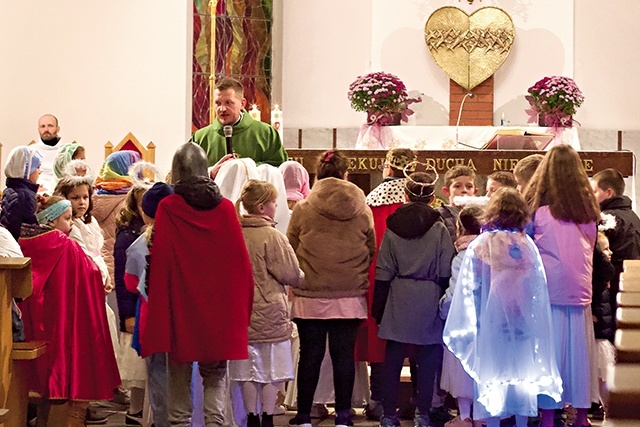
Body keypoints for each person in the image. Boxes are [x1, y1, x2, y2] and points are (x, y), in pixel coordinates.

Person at [142, 142, 254, 427]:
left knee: (178, 372)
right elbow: (240, 266)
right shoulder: (227, 209)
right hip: (219, 310)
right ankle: (215, 423)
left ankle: (180, 423)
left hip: (182, 307)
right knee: (215, 375)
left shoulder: (169, 207)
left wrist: (160, 306)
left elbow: (161, 259)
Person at [444, 187, 562, 427]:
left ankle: (494, 423)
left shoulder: (482, 244)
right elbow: (537, 287)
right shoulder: (527, 244)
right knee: (521, 376)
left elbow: (471, 285)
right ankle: (520, 423)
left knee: (492, 377)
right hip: (523, 321)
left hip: (490, 320)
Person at [287, 149, 375, 427]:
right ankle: (344, 415)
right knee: (343, 356)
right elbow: (370, 249)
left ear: (317, 175)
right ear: (345, 175)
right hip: (349, 294)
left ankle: (303, 415)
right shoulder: (362, 208)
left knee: (310, 355)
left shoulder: (302, 208)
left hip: (310, 293)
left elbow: (290, 247)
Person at [523, 144, 600, 427]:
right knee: (579, 355)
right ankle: (580, 415)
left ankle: (547, 415)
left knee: (549, 354)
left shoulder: (539, 211)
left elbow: (526, 247)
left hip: (546, 290)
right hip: (579, 289)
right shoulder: (588, 211)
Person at [371, 171, 455, 427]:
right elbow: (444, 270)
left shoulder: (392, 225)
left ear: (405, 194)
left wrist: (379, 306)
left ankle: (388, 414)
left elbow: (383, 268)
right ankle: (423, 414)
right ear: (432, 199)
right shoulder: (439, 228)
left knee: (393, 357)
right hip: (428, 295)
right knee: (428, 358)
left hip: (398, 293)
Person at [18, 196, 120, 406]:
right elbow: (90, 272)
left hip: (34, 311)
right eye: (67, 218)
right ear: (52, 220)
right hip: (61, 310)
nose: (72, 222)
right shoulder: (63, 244)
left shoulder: (25, 241)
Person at [229, 180, 304, 427]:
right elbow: (291, 274)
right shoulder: (273, 236)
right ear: (262, 207)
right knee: (273, 369)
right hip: (271, 312)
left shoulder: (233, 233)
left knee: (247, 369)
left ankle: (251, 416)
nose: (276, 205)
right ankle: (268, 416)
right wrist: (303, 277)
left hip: (241, 312)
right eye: (273, 202)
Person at [357, 148, 416, 421]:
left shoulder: (370, 202)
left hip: (376, 275)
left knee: (379, 336)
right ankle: (416, 399)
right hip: (412, 277)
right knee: (414, 337)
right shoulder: (417, 202)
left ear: (388, 169)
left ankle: (377, 398)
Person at [125, 182, 174, 427]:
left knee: (157, 379)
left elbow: (131, 283)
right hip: (180, 320)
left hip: (150, 318)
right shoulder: (183, 238)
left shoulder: (138, 245)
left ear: (145, 212)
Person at [439, 206, 484, 427]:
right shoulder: (493, 252)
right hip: (488, 321)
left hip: (463, 321)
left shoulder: (462, 256)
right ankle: (482, 417)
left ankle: (465, 416)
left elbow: (455, 291)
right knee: (483, 370)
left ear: (460, 228)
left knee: (461, 369)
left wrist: (443, 309)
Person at [192, 78, 288, 168]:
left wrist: (243, 167)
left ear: (242, 104)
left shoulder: (266, 133)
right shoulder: (200, 138)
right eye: (218, 103)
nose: (222, 109)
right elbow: (189, 174)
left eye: (228, 103)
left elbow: (278, 168)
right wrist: (211, 173)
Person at [590, 168, 640, 312]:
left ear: (609, 193)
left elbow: (598, 255)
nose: (591, 197)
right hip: (633, 281)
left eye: (594, 192)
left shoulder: (607, 218)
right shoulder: (633, 216)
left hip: (613, 284)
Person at [591, 232, 616, 419]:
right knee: (601, 373)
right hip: (598, 334)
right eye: (606, 249)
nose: (611, 252)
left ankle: (606, 406)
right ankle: (607, 406)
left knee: (603, 374)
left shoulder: (602, 276)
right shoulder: (597, 276)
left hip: (602, 332)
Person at [0, 146, 42, 240]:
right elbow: (32, 231)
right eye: (37, 167)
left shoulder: (9, 190)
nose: (40, 172)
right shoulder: (25, 196)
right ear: (27, 169)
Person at [436, 166, 478, 241]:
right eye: (458, 186)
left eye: (469, 186)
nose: (464, 190)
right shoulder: (439, 215)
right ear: (446, 191)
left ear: (475, 191)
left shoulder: (482, 216)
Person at [33, 114, 65, 194]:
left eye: (50, 126)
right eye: (42, 126)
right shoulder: (31, 150)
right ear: (38, 129)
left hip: (62, 191)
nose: (46, 129)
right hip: (37, 191)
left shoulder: (66, 150)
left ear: (58, 129)